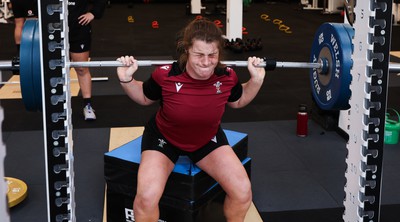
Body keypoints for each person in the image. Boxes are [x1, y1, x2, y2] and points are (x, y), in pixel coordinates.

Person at [116, 18, 266, 222]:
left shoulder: (227, 76)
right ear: (187, 50)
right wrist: (127, 79)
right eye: (199, 54)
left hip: (206, 139)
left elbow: (238, 101)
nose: (206, 62)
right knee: (146, 198)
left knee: (242, 191)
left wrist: (256, 82)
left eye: (212, 55)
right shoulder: (165, 75)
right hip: (164, 138)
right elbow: (143, 97)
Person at [68, 0, 106, 120]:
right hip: (54, 30)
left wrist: (94, 13)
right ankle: (56, 105)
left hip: (78, 29)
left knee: (81, 68)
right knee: (55, 68)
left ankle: (87, 106)